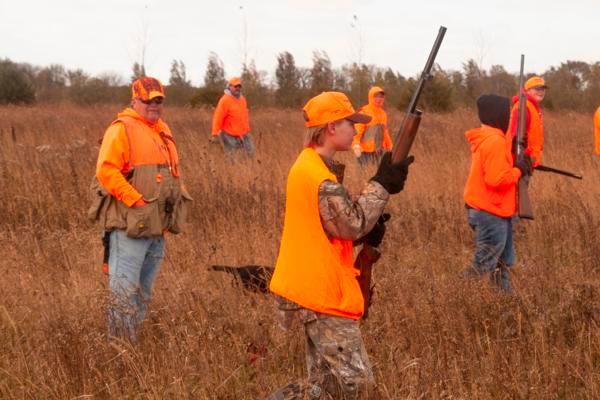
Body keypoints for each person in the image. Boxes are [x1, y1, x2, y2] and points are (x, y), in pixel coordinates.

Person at [267, 91, 413, 399]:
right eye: (351, 123)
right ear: (331, 127)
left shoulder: (311, 166)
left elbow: (334, 228)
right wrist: (382, 184)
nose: (355, 129)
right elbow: (351, 224)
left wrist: (367, 234)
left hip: (312, 288)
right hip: (320, 292)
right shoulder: (320, 178)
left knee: (328, 384)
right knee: (354, 381)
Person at [88, 77, 193, 340]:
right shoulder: (122, 128)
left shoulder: (162, 129)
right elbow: (106, 171)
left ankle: (130, 345)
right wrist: (135, 200)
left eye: (158, 100)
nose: (153, 104)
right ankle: (120, 352)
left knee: (143, 294)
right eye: (147, 100)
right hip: (128, 230)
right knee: (123, 295)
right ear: (134, 100)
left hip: (156, 230)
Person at [463, 94, 533, 293]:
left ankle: (504, 303)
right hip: (490, 212)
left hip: (496, 210)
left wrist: (513, 156)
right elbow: (497, 180)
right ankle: (456, 298)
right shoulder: (494, 141)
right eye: (506, 112)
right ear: (497, 115)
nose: (508, 117)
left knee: (502, 264)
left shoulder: (492, 138)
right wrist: (519, 169)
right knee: (483, 264)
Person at [508, 76, 547, 166]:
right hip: (520, 161)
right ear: (527, 90)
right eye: (537, 89)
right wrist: (521, 159)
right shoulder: (524, 107)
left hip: (527, 161)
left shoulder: (531, 107)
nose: (541, 92)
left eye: (543, 89)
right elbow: (514, 135)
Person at [211, 76, 254, 157]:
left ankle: (245, 169)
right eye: (235, 86)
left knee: (250, 153)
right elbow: (218, 117)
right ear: (229, 87)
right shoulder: (224, 100)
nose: (238, 88)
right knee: (232, 159)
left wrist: (247, 129)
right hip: (228, 134)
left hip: (243, 133)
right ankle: (231, 169)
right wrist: (215, 133)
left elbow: (245, 115)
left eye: (239, 86)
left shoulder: (242, 99)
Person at [352, 86, 393, 166]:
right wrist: (356, 145)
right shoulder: (364, 111)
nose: (379, 99)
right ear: (371, 97)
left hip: (379, 152)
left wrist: (390, 146)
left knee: (377, 176)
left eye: (381, 96)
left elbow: (385, 132)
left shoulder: (383, 114)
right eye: (376, 96)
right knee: (363, 176)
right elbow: (356, 132)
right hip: (364, 153)